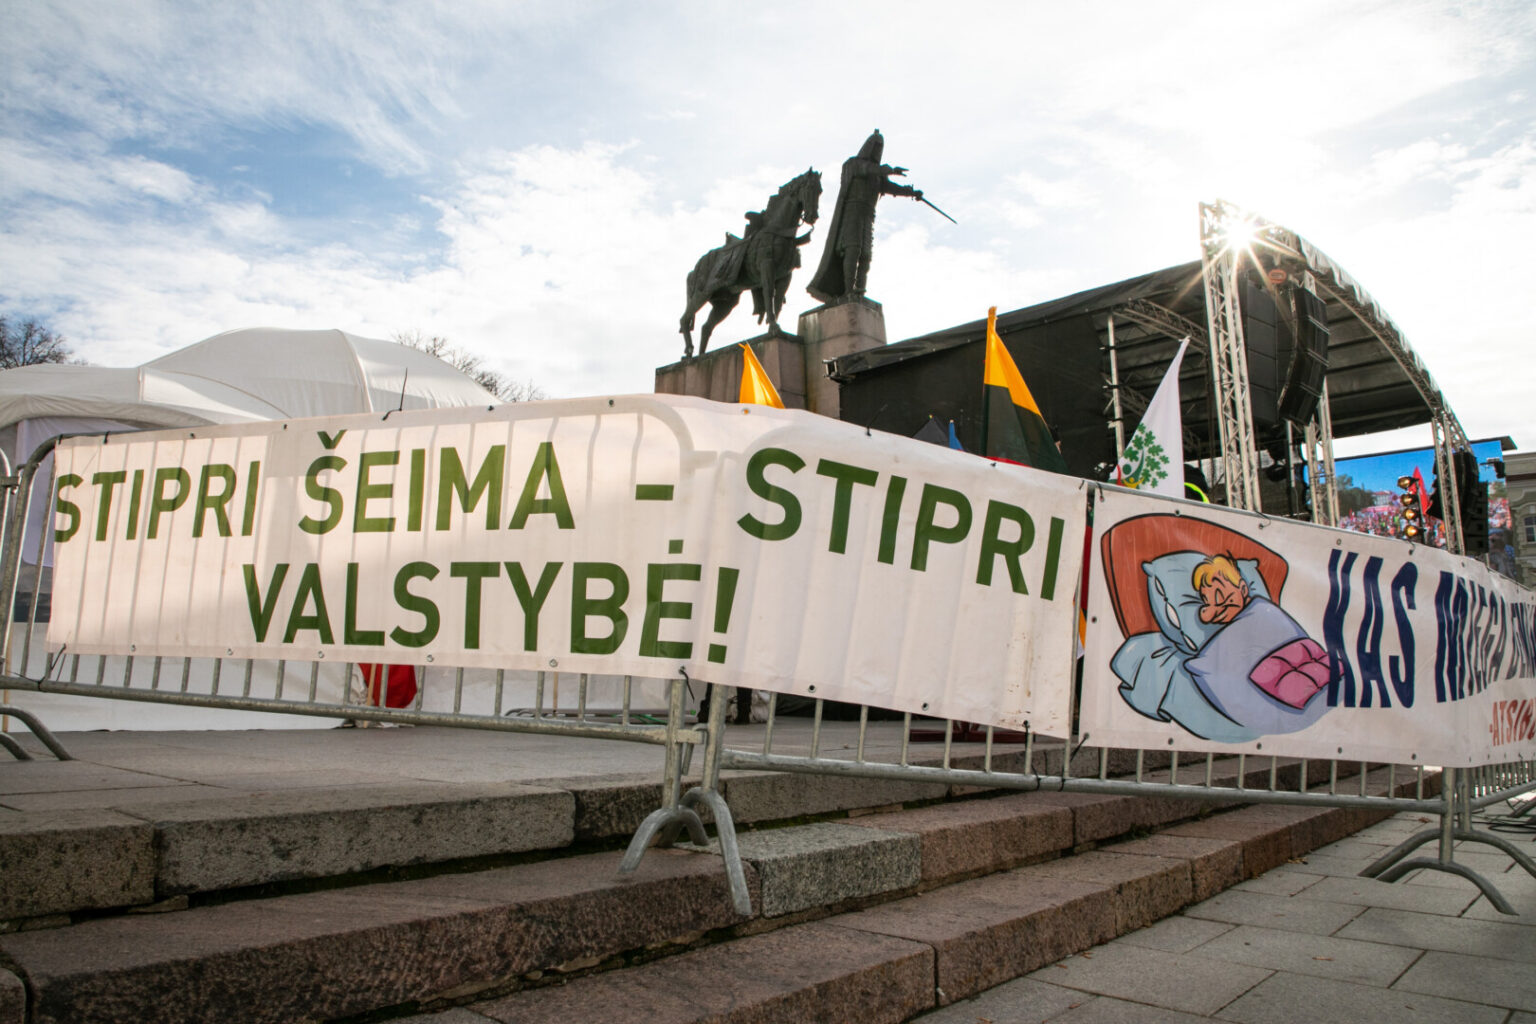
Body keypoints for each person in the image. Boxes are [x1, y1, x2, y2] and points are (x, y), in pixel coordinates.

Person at [807, 130, 922, 303]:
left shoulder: (877, 177)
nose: (877, 151)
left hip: (868, 216)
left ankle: (859, 291)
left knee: (866, 255)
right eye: (875, 146)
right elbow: (867, 169)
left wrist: (911, 192)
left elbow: (892, 188)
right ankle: (847, 291)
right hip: (851, 214)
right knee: (852, 250)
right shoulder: (853, 164)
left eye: (880, 148)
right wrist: (889, 170)